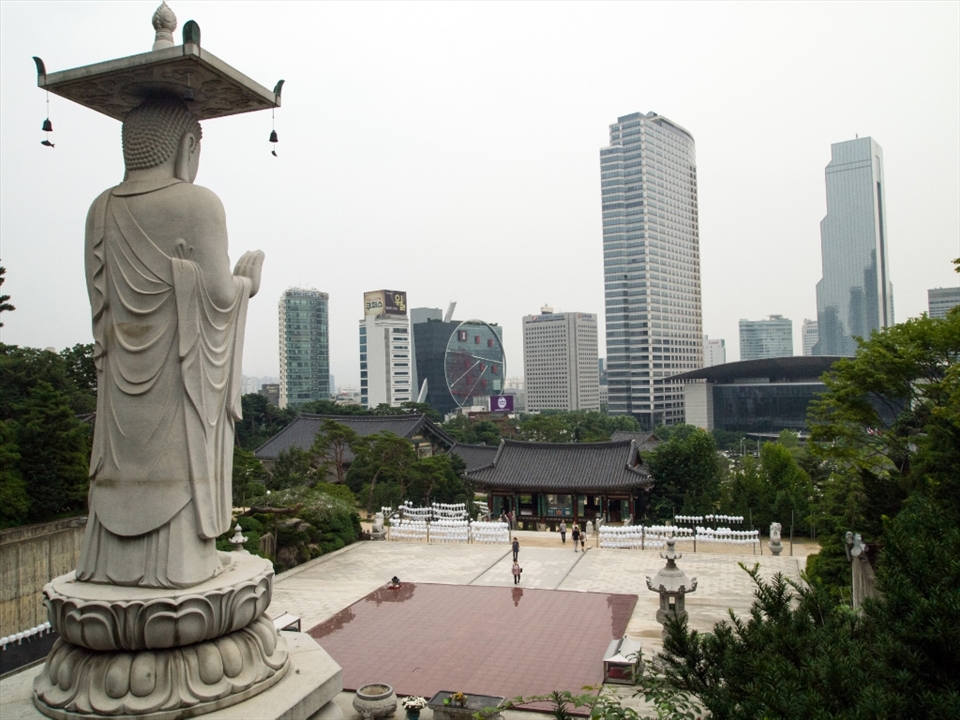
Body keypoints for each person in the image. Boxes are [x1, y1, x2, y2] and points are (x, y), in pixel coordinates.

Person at [75, 95, 264, 589]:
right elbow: (221, 296)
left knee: (120, 469)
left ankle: (109, 564)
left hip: (119, 399)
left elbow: (102, 310)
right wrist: (248, 285)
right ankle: (186, 562)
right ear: (187, 146)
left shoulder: (101, 208)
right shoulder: (197, 203)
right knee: (181, 465)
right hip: (177, 389)